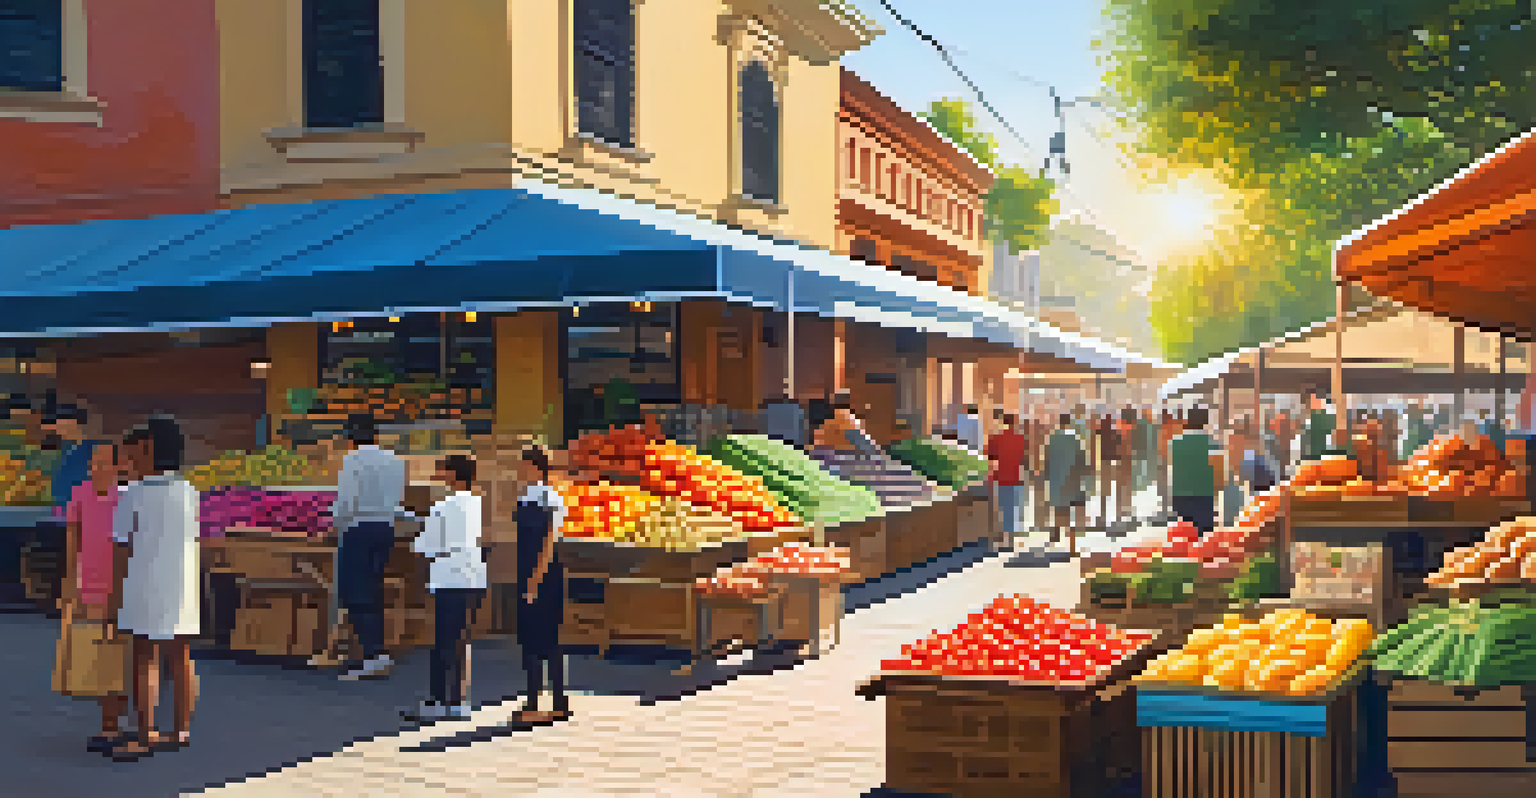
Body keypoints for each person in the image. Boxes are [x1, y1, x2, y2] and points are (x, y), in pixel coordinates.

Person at [108, 417, 200, 761]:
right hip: (182, 584)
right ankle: (180, 730)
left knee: (144, 658)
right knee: (181, 657)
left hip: (143, 584)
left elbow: (121, 549)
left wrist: (114, 598)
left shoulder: (134, 495)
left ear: (147, 449)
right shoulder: (189, 492)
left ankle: (144, 734)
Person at [55, 442, 131, 753]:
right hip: (91, 587)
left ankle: (126, 722)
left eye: (103, 463)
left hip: (123, 588)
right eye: (93, 463)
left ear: (118, 467)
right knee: (100, 657)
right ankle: (109, 725)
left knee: (123, 656)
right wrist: (70, 586)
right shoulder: (80, 495)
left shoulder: (126, 498)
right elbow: (73, 542)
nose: (96, 468)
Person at [404, 454, 486, 723]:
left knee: (443, 641)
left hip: (449, 576)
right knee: (463, 639)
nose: (439, 474)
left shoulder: (444, 506)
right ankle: (459, 701)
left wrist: (416, 539)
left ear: (453, 474)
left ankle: (437, 700)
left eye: (443, 469)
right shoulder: (476, 503)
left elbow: (425, 545)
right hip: (473, 575)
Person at [332, 414, 409, 681]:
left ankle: (372, 655)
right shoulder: (395, 461)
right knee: (374, 589)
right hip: (385, 529)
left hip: (358, 529)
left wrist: (335, 523)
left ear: (349, 437)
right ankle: (379, 652)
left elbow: (346, 500)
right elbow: (399, 498)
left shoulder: (352, 461)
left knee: (355, 592)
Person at [514, 446, 571, 723]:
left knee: (545, 638)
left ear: (537, 468)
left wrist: (534, 580)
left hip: (543, 575)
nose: (520, 471)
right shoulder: (525, 497)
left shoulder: (551, 498)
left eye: (524, 466)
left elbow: (549, 544)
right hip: (526, 571)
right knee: (530, 639)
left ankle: (551, 701)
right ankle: (537, 699)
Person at [1168, 406, 1223, 536]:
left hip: (1179, 495)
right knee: (1204, 540)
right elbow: (1219, 470)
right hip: (1203, 496)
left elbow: (1173, 469)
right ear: (1206, 421)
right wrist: (1218, 492)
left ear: (1187, 420)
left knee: (1184, 537)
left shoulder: (1175, 441)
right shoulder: (1211, 441)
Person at [1044, 413, 1089, 554]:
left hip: (1056, 480)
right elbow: (1082, 459)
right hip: (1073, 480)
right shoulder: (1075, 438)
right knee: (1074, 514)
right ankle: (1072, 547)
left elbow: (1046, 459)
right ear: (1069, 423)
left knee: (1060, 510)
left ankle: (1056, 529)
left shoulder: (1052, 438)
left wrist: (1047, 477)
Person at [985, 414, 1029, 551]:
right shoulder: (1021, 438)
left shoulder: (996, 437)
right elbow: (1024, 459)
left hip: (1001, 477)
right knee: (1012, 508)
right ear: (1014, 423)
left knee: (1002, 508)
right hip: (1016, 477)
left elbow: (990, 457)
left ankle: (1003, 537)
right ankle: (1010, 539)